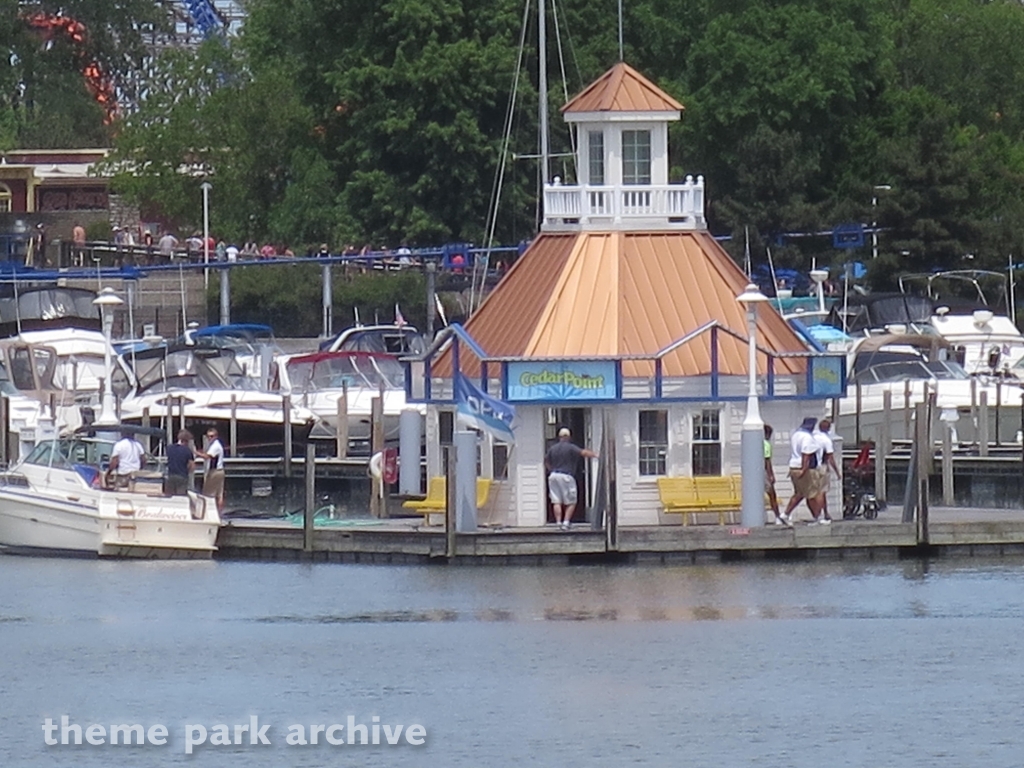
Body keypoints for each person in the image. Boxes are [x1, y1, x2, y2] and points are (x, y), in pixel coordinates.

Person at [544, 427, 598, 531]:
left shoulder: (552, 448)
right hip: (566, 476)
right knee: (572, 501)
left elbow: (546, 460)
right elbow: (583, 453)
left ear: (559, 437)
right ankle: (566, 523)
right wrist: (596, 454)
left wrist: (551, 470)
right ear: (568, 437)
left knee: (556, 501)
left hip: (554, 476)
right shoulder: (570, 447)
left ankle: (558, 523)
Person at [782, 417, 825, 524]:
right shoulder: (807, 438)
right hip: (806, 469)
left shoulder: (796, 434)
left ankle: (785, 514)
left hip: (794, 466)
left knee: (800, 493)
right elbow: (806, 454)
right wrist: (804, 469)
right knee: (814, 494)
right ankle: (817, 517)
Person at [813, 419, 841, 523]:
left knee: (814, 492)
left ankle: (824, 513)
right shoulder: (826, 440)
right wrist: (837, 472)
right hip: (822, 467)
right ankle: (819, 515)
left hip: (812, 467)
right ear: (828, 428)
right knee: (821, 492)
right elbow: (830, 458)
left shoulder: (813, 437)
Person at [195, 428, 225, 512]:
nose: (209, 438)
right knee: (219, 494)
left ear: (216, 436)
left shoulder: (215, 446)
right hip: (220, 471)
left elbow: (207, 456)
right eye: (208, 436)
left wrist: (195, 452)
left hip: (214, 472)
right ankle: (219, 513)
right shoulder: (214, 445)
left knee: (207, 494)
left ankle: (208, 512)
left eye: (211, 436)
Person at [764, 424, 788, 526]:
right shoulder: (766, 444)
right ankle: (777, 516)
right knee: (772, 495)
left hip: (754, 472)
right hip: (763, 472)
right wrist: (771, 474)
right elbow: (767, 460)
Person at [165, 429, 195, 496]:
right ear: (186, 440)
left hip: (171, 475)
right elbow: (192, 466)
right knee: (180, 497)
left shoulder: (169, 448)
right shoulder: (187, 451)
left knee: (170, 496)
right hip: (182, 476)